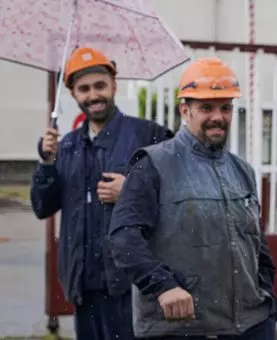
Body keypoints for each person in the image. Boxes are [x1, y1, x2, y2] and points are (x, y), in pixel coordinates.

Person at [108, 57, 277, 339]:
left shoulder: (242, 170)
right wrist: (163, 286)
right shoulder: (153, 164)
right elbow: (123, 238)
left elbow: (257, 245)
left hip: (250, 325)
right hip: (182, 329)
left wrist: (267, 298)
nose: (218, 116)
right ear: (185, 110)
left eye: (226, 107)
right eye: (206, 107)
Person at [30, 47, 173, 340]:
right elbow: (43, 207)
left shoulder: (149, 135)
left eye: (100, 85)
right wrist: (46, 163)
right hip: (83, 283)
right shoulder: (66, 147)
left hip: (131, 284)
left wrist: (132, 192)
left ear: (113, 85)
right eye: (84, 89)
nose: (93, 95)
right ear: (72, 93)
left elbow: (179, 192)